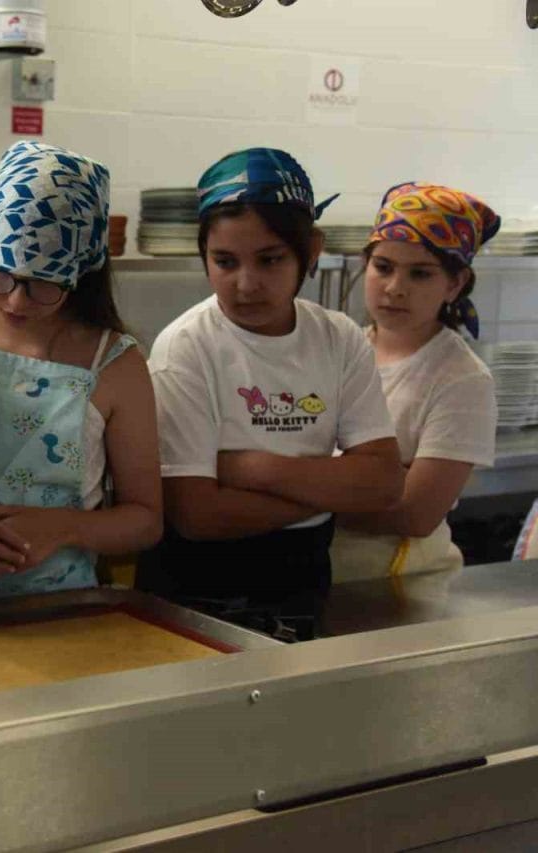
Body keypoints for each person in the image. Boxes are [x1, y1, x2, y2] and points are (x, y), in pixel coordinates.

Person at [137, 148, 403, 638]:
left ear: (312, 247)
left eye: (270, 259)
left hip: (303, 581)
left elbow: (385, 484)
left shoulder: (338, 338)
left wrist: (253, 468)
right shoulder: (187, 347)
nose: (246, 284)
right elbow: (196, 513)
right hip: (197, 589)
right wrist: (329, 493)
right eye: (224, 261)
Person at [0, 141, 163, 605]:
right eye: (0, 275)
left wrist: (65, 528)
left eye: (43, 285)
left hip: (60, 610)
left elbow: (145, 520)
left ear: (83, 271)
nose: (16, 301)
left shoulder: (114, 363)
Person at [330, 183, 499, 580]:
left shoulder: (461, 378)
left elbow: (414, 512)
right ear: (364, 264)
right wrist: (375, 479)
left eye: (420, 273)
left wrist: (293, 490)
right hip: (326, 572)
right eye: (383, 267)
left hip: (400, 585)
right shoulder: (340, 350)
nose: (395, 288)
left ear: (455, 284)